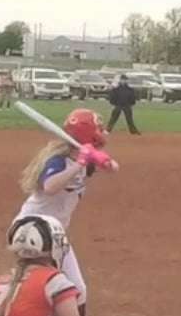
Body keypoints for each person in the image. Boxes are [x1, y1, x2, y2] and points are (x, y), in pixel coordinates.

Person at [15, 109, 118, 297]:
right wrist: (80, 164)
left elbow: (113, 169)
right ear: (89, 135)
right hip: (33, 228)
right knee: (52, 288)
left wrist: (101, 159)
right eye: (100, 129)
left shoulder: (86, 158)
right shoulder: (59, 160)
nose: (105, 133)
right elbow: (50, 187)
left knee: (75, 288)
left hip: (54, 232)